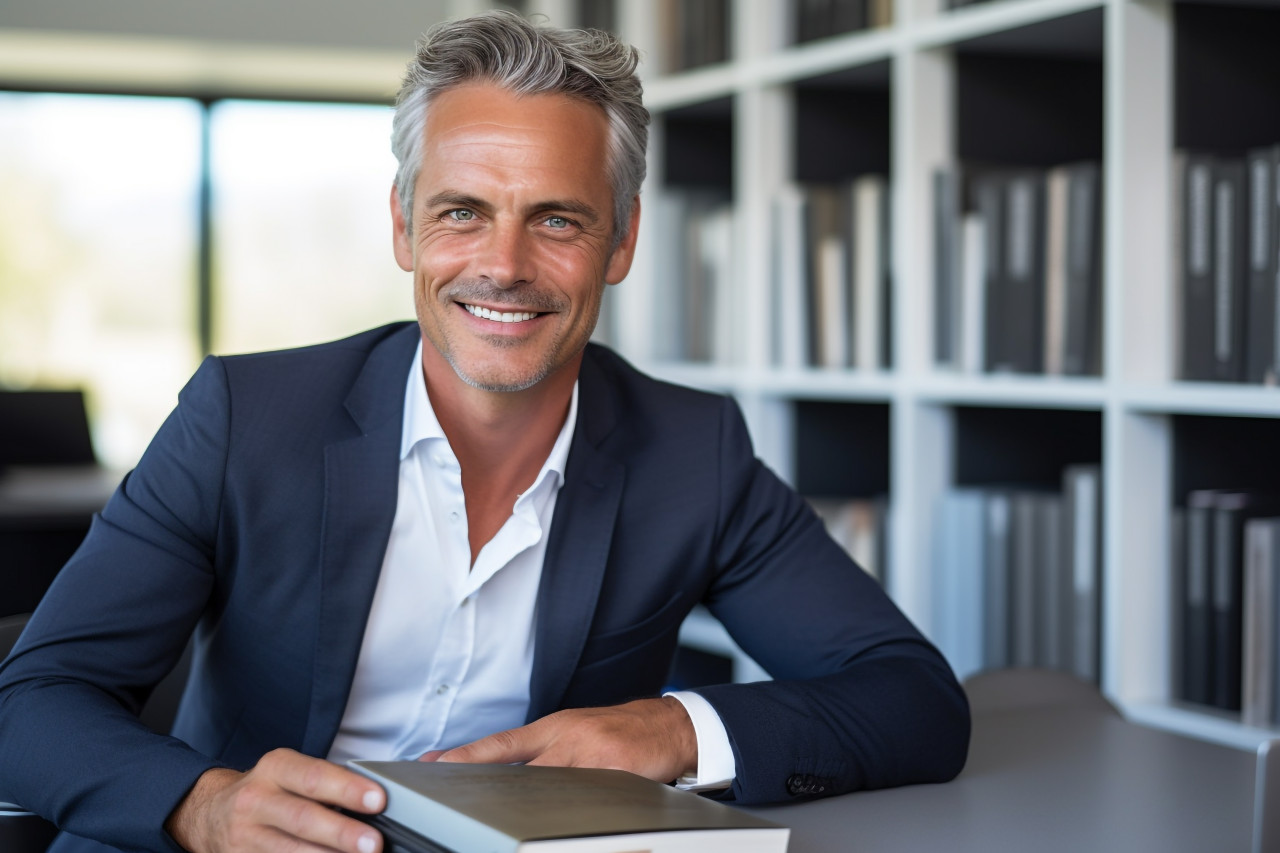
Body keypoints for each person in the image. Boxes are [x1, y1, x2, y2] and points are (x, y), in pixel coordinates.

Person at [0, 11, 969, 853]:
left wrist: (672, 727)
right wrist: (202, 806)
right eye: (461, 212)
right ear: (404, 230)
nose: (502, 265)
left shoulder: (692, 451)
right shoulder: (242, 420)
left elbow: (911, 701)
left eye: (556, 220)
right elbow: (33, 699)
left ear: (621, 241)